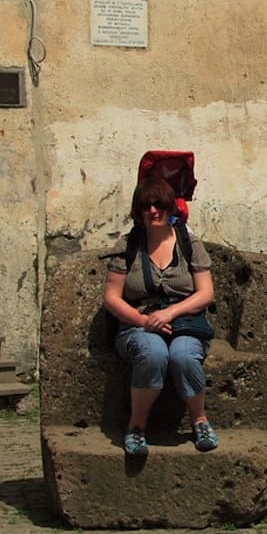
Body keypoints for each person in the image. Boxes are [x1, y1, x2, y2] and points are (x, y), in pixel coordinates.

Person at [102, 177, 217, 456]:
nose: (153, 211)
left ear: (170, 208)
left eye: (159, 205)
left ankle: (200, 421)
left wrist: (171, 312)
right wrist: (144, 321)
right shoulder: (128, 245)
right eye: (145, 206)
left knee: (183, 355)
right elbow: (111, 297)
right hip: (138, 324)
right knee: (153, 353)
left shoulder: (189, 243)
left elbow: (205, 293)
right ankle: (137, 427)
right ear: (137, 212)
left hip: (185, 322)